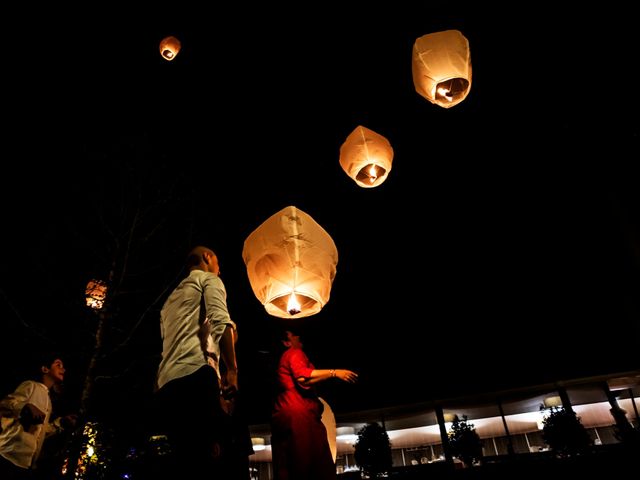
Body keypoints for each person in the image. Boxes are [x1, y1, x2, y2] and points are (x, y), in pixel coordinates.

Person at [153, 245, 239, 478]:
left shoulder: (168, 302)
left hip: (168, 384)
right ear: (207, 258)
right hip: (197, 377)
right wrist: (232, 370)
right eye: (218, 263)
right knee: (212, 460)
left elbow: (168, 346)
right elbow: (222, 322)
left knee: (184, 462)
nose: (219, 270)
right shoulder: (209, 280)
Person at [271, 328, 358, 480]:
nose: (299, 336)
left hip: (288, 414)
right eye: (294, 334)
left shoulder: (285, 357)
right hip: (299, 416)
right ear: (286, 342)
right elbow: (303, 378)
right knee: (309, 463)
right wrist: (335, 372)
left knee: (291, 464)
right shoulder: (294, 352)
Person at [0, 353, 76, 479]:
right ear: (45, 369)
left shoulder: (48, 401)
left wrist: (60, 423)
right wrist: (26, 406)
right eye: (58, 365)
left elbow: (40, 431)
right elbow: (5, 405)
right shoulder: (31, 385)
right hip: (7, 456)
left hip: (25, 466)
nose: (63, 369)